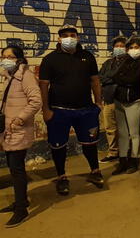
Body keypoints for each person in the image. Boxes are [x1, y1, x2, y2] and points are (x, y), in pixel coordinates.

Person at [39, 24, 104, 195]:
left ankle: (95, 171)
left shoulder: (87, 56)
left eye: (72, 35)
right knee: (58, 145)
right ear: (59, 39)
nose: (69, 38)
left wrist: (98, 103)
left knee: (90, 143)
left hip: (86, 110)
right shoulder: (50, 59)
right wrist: (45, 109)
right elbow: (44, 86)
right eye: (65, 35)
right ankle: (61, 177)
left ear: (78, 38)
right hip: (59, 111)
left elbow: (95, 81)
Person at [0, 46, 42, 227]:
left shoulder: (26, 76)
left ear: (19, 59)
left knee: (16, 169)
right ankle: (20, 201)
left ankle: (21, 210)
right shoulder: (8, 76)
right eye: (3, 56)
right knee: (12, 166)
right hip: (8, 129)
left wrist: (18, 119)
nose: (6, 59)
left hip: (18, 128)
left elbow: (36, 101)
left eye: (10, 56)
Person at [111, 36, 140, 175]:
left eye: (136, 47)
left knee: (134, 133)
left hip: (134, 101)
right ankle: (122, 161)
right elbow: (114, 76)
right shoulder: (125, 61)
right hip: (119, 101)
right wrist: (125, 80)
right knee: (123, 133)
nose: (133, 50)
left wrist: (124, 80)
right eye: (131, 48)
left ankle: (134, 160)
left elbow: (133, 80)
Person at [98, 36, 127, 163]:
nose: (119, 48)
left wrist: (110, 78)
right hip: (108, 100)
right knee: (110, 128)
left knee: (124, 128)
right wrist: (113, 77)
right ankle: (113, 152)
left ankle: (126, 153)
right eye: (117, 46)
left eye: (122, 46)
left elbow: (123, 78)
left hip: (123, 101)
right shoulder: (108, 63)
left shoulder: (129, 63)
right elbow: (100, 78)